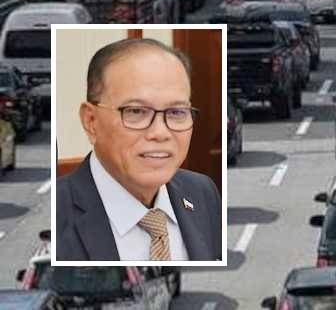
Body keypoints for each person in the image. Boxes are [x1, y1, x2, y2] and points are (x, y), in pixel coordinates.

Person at [55, 38, 222, 262]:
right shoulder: (57, 213)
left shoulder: (202, 192)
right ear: (91, 121)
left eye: (176, 112)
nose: (160, 133)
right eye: (136, 111)